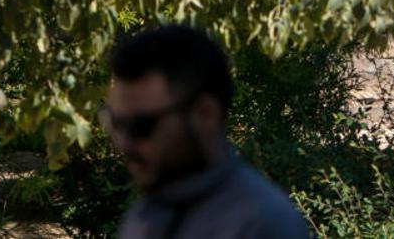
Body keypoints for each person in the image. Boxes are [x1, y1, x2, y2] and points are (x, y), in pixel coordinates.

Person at [102, 24, 311, 238]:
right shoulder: (143, 216)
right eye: (116, 124)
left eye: (142, 126)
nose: (125, 144)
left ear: (206, 114)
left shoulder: (262, 223)